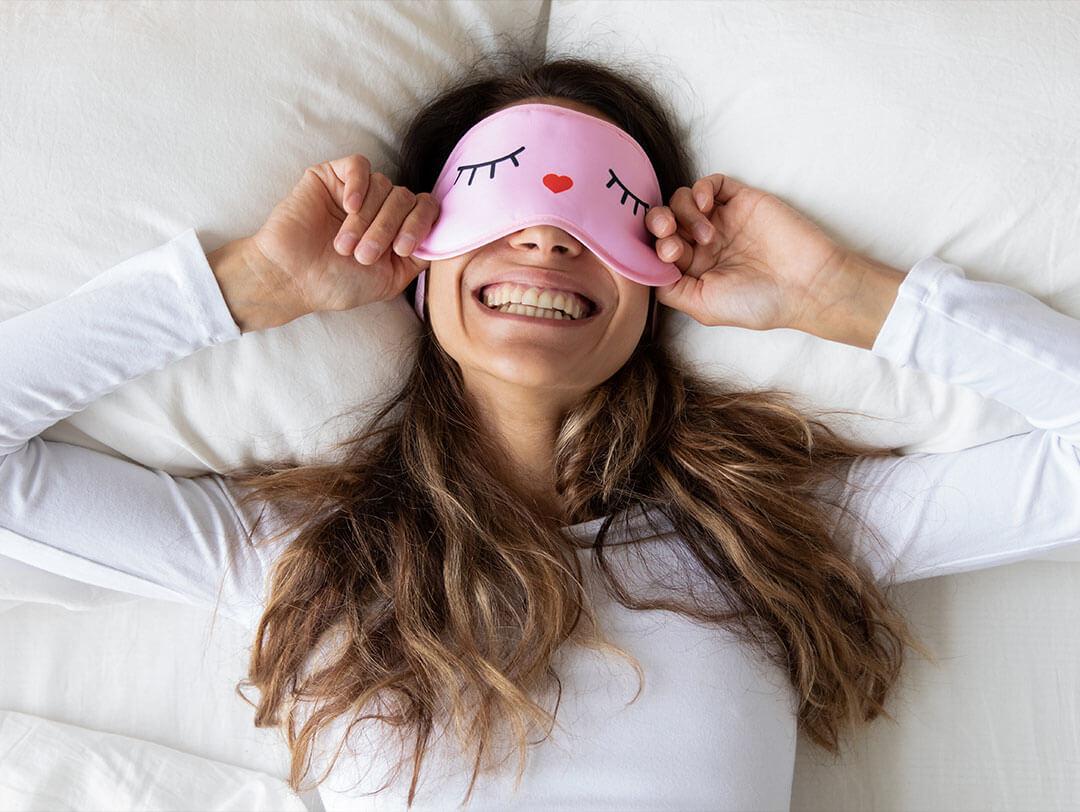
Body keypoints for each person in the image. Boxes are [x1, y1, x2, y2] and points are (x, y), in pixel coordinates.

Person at [2, 49, 1079, 811]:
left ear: (657, 283)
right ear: (420, 263)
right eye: (497, 197)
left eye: (604, 209)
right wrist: (246, 287)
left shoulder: (770, 532)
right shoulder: (305, 556)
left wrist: (843, 296)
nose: (549, 236)